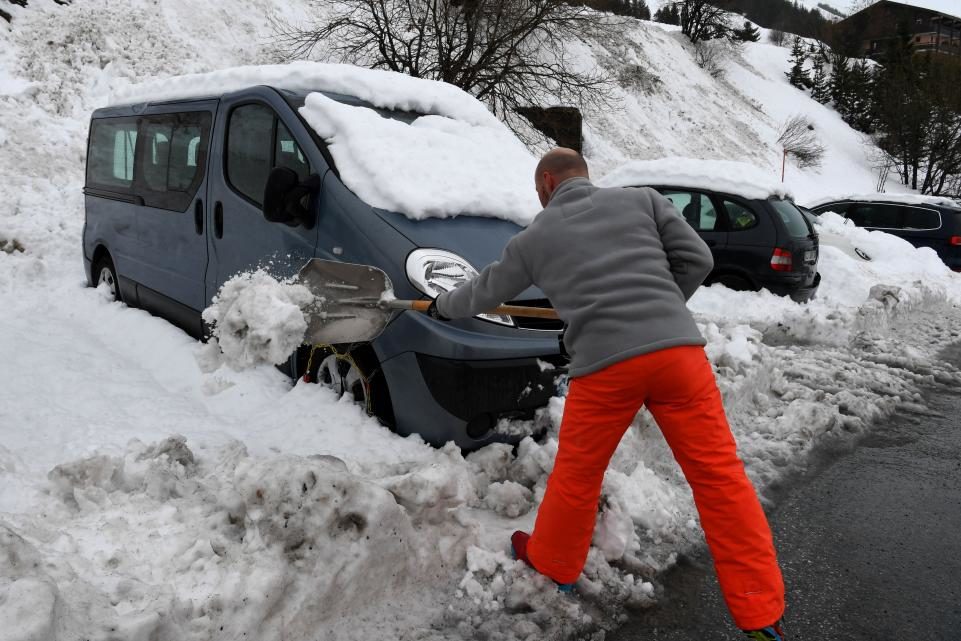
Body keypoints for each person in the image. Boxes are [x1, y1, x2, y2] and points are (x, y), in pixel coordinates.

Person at [432, 148, 786, 640]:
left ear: (549, 182)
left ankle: (555, 563)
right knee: (720, 478)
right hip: (678, 357)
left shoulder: (535, 237)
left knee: (578, 475)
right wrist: (659, 306)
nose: (539, 198)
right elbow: (698, 258)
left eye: (539, 190)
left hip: (605, 368)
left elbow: (485, 292)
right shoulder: (642, 201)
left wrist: (440, 307)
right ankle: (761, 613)